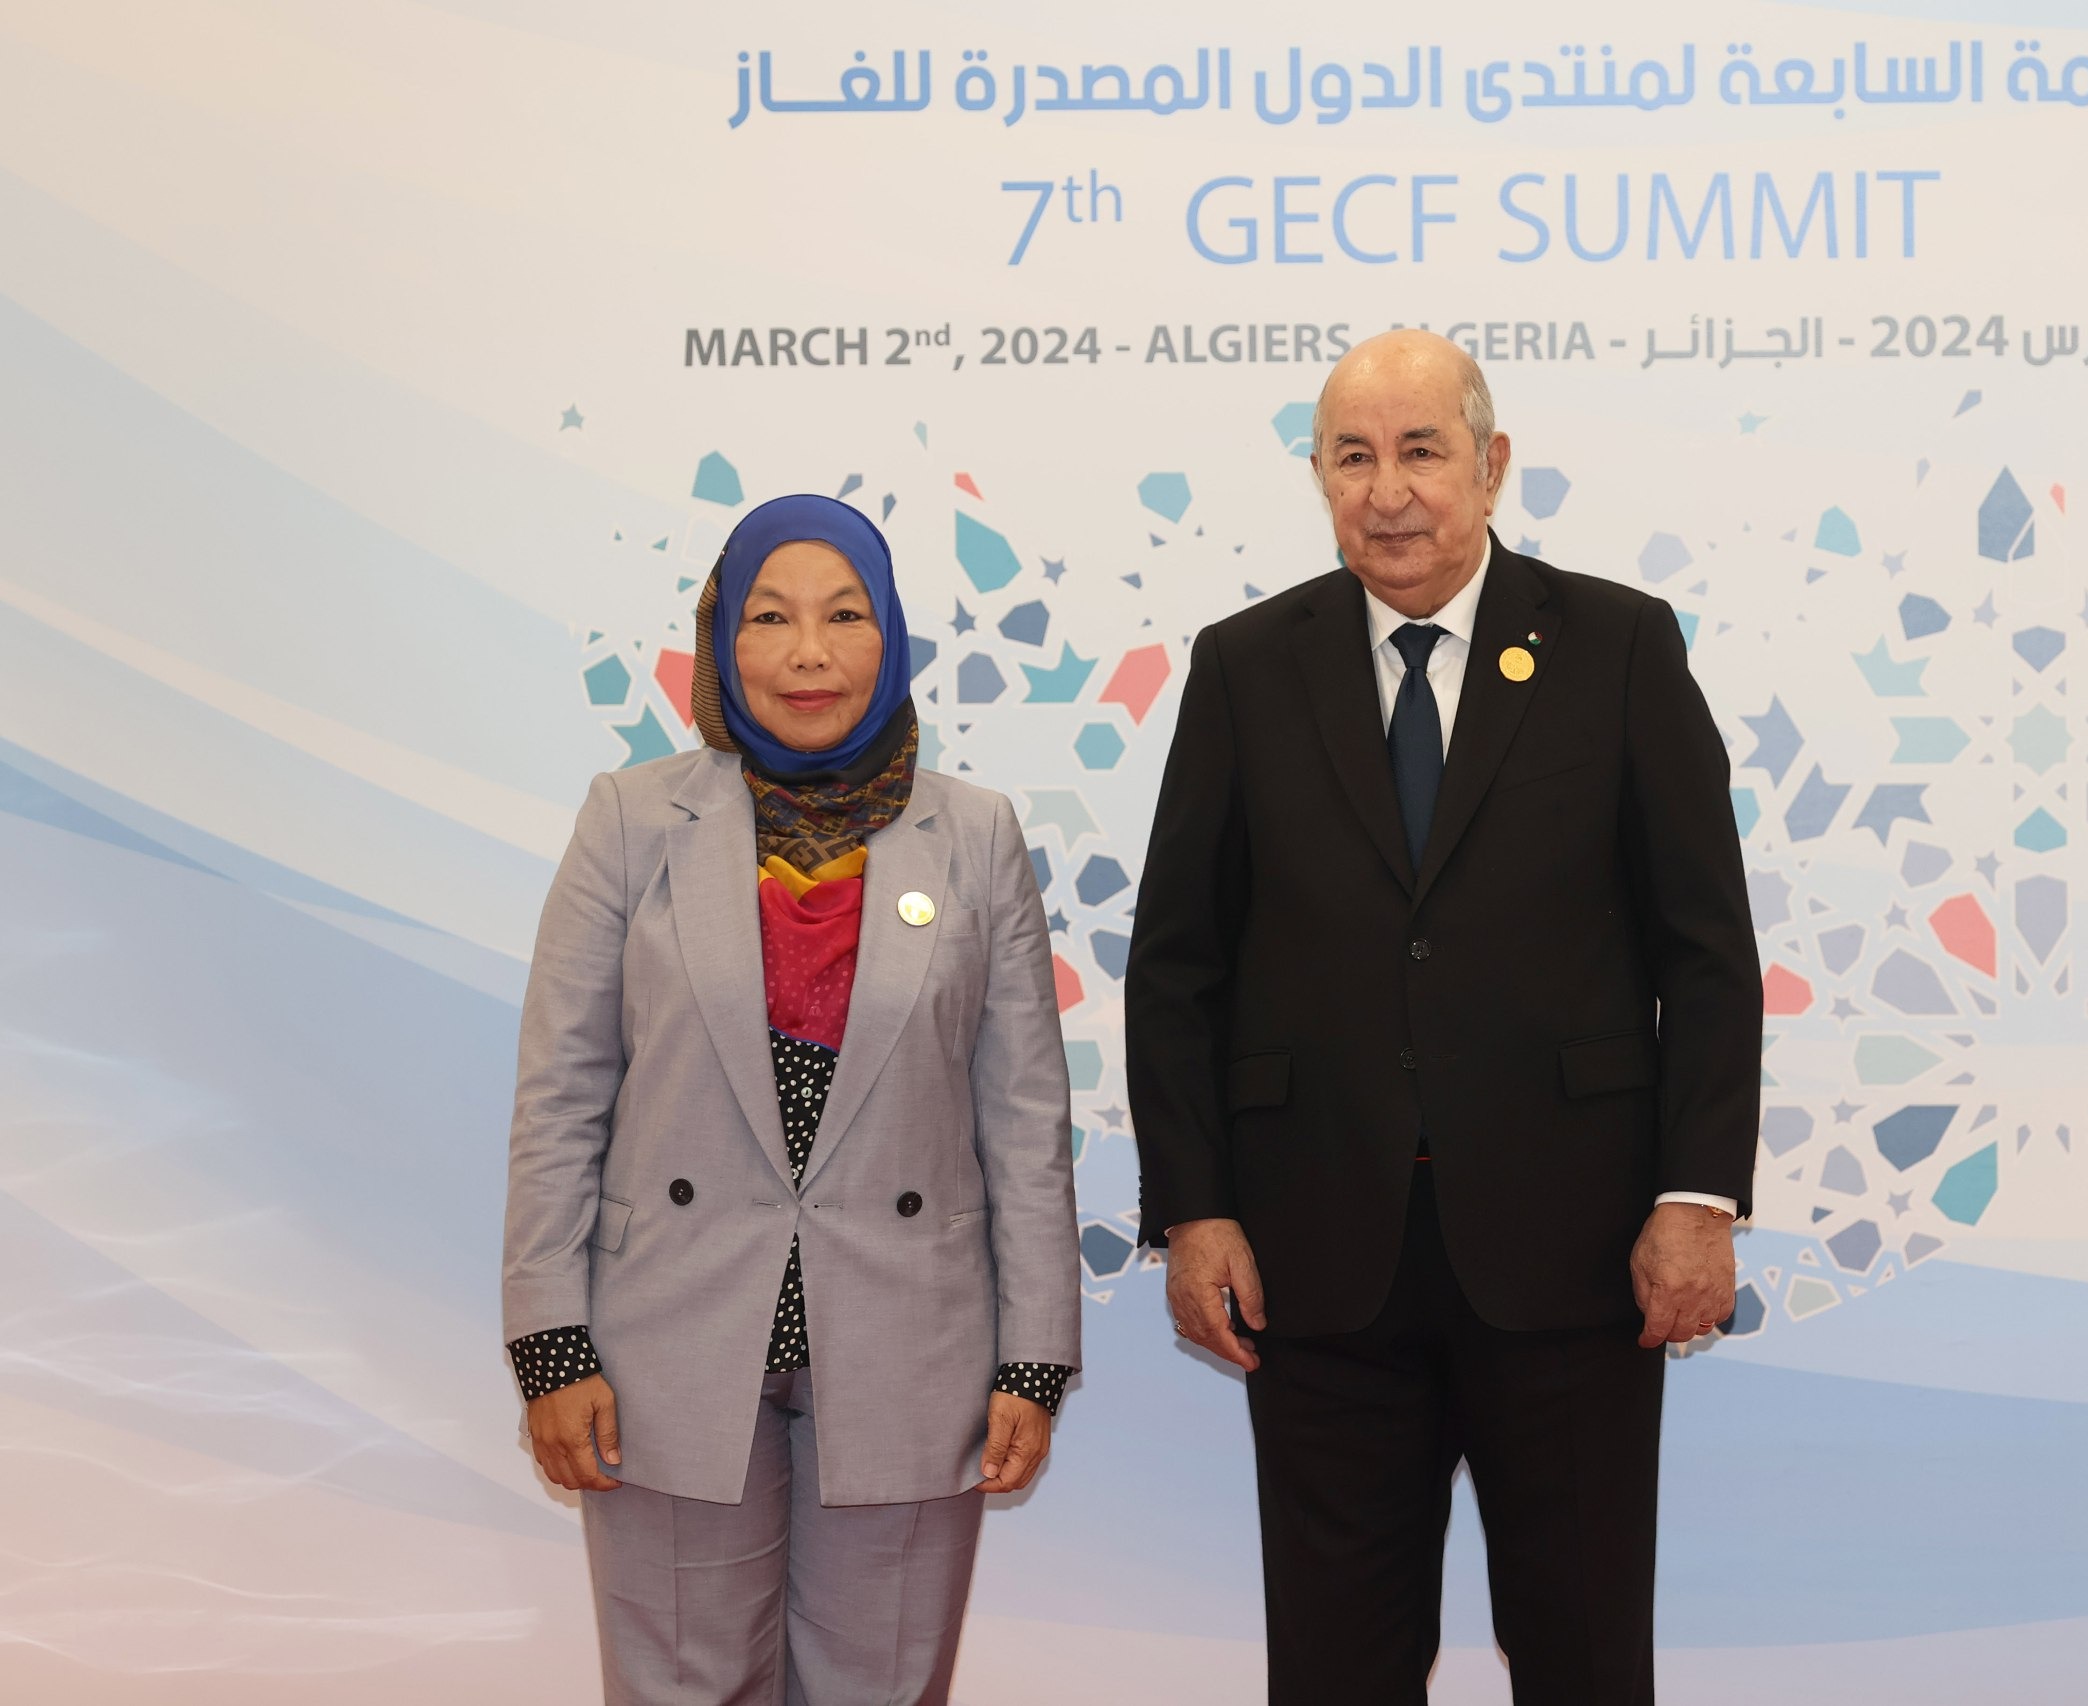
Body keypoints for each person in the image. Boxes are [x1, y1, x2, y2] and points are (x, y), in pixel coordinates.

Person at [1126, 331, 1760, 1704]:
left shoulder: (1618, 645)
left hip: (1577, 1257)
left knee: (1584, 1654)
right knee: (1335, 1667)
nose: (1389, 490)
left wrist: (1697, 1195)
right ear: (1319, 477)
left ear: (1490, 463)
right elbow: (1178, 965)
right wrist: (1196, 1207)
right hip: (1316, 1259)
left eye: (1421, 450)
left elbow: (1706, 950)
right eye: (1353, 457)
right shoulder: (1246, 664)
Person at [501, 494, 1080, 1706]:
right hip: (666, 1341)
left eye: (844, 615)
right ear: (723, 642)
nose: (808, 652)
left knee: (881, 1685)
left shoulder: (976, 834)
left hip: (912, 1344)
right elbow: (561, 1094)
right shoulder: (631, 820)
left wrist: (1031, 1359)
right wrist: (550, 1339)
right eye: (770, 617)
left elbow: (1024, 1121)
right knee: (679, 1684)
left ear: (892, 635)